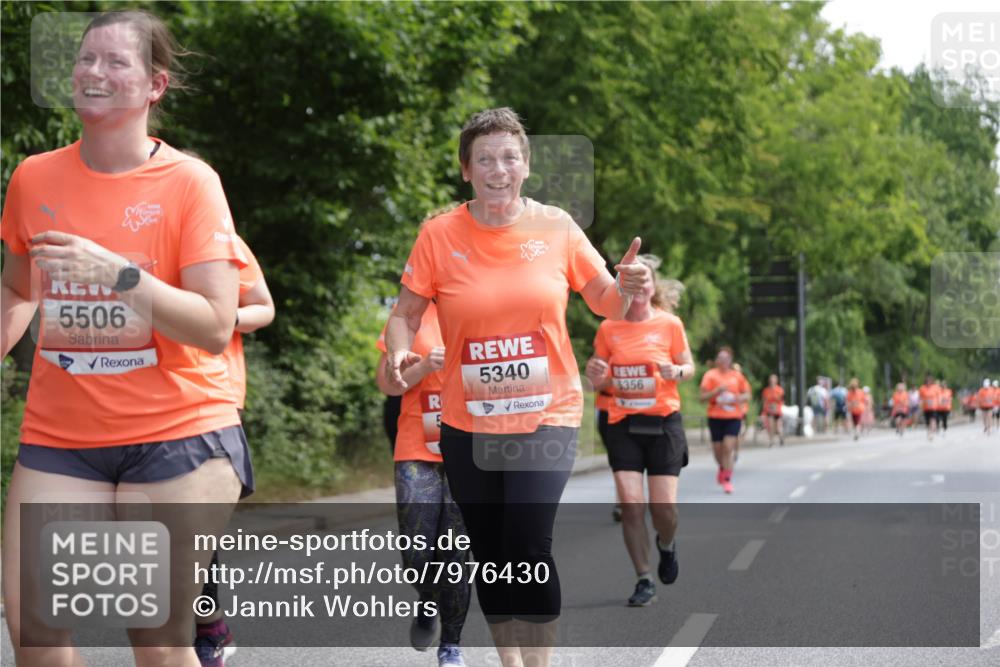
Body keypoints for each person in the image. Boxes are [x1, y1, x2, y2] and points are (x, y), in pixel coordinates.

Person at [1, 10, 253, 666]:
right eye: (86, 58)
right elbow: (19, 290)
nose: (94, 71)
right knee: (34, 629)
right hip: (62, 437)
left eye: (116, 61)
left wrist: (116, 274)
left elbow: (214, 323)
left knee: (156, 636)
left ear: (154, 85)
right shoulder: (33, 178)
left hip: (178, 435)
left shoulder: (190, 183)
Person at [383, 107, 653, 666]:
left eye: (509, 157)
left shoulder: (557, 227)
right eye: (484, 159)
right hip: (467, 423)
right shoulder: (439, 235)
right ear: (466, 170)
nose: (498, 169)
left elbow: (605, 301)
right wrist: (399, 347)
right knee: (491, 556)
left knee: (528, 546)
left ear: (526, 166)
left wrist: (627, 285)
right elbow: (405, 314)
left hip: (546, 415)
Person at [586, 257, 694, 607]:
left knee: (664, 509)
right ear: (624, 287)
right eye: (633, 279)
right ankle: (644, 578)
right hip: (623, 423)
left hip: (663, 422)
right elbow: (598, 379)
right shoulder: (609, 328)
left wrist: (676, 372)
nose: (641, 285)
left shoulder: (670, 324)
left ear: (653, 285)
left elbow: (689, 366)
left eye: (645, 279)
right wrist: (595, 374)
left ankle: (667, 544)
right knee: (632, 506)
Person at [194, 235, 274, 667]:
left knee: (194, 521)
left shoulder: (219, 238)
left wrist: (224, 317)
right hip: (130, 398)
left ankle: (208, 627)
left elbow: (263, 306)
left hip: (209, 396)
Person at [376, 300, 470, 667]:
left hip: (471, 448)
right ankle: (428, 598)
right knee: (415, 554)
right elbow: (387, 385)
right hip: (418, 447)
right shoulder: (408, 316)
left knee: (455, 554)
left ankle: (451, 645)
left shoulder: (480, 304)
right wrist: (426, 365)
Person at [699, 347, 750, 494]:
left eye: (726, 358)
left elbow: (747, 395)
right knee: (718, 451)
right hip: (715, 417)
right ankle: (723, 468)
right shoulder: (710, 375)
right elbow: (702, 398)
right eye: (720, 358)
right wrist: (717, 391)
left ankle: (727, 479)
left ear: (730, 360)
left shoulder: (737, 376)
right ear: (717, 360)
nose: (723, 361)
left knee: (728, 447)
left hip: (733, 417)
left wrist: (738, 398)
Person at [761, 374, 784, 447]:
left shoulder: (779, 390)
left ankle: (781, 438)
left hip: (777, 410)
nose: (772, 382)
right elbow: (764, 401)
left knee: (778, 427)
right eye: (771, 380)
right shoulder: (766, 390)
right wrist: (764, 410)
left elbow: (782, 400)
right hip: (769, 410)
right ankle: (771, 441)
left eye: (773, 380)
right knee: (770, 426)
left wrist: (776, 405)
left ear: (776, 381)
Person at [918, 375, 940, 441]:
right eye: (927, 381)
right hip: (926, 408)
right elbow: (920, 398)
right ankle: (929, 431)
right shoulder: (922, 388)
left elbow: (939, 396)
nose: (928, 382)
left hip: (933, 407)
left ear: (932, 381)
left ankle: (931, 433)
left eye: (930, 381)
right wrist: (920, 405)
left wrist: (939, 403)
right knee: (927, 422)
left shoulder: (935, 387)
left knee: (933, 420)